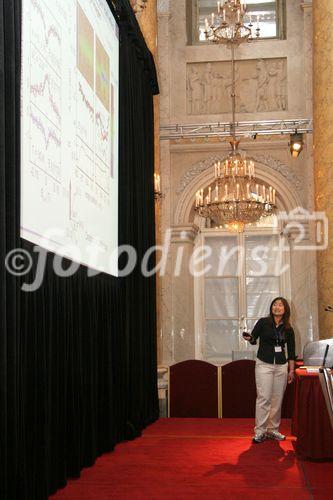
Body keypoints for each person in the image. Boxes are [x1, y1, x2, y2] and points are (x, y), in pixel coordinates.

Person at [243, 297, 296, 444]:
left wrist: (291, 371)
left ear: (285, 309)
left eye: (280, 305)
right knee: (264, 398)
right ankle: (260, 431)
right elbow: (254, 338)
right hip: (264, 364)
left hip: (281, 366)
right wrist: (250, 338)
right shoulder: (263, 322)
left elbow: (291, 352)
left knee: (277, 399)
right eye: (274, 305)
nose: (277, 307)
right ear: (271, 308)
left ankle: (273, 430)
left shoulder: (288, 329)